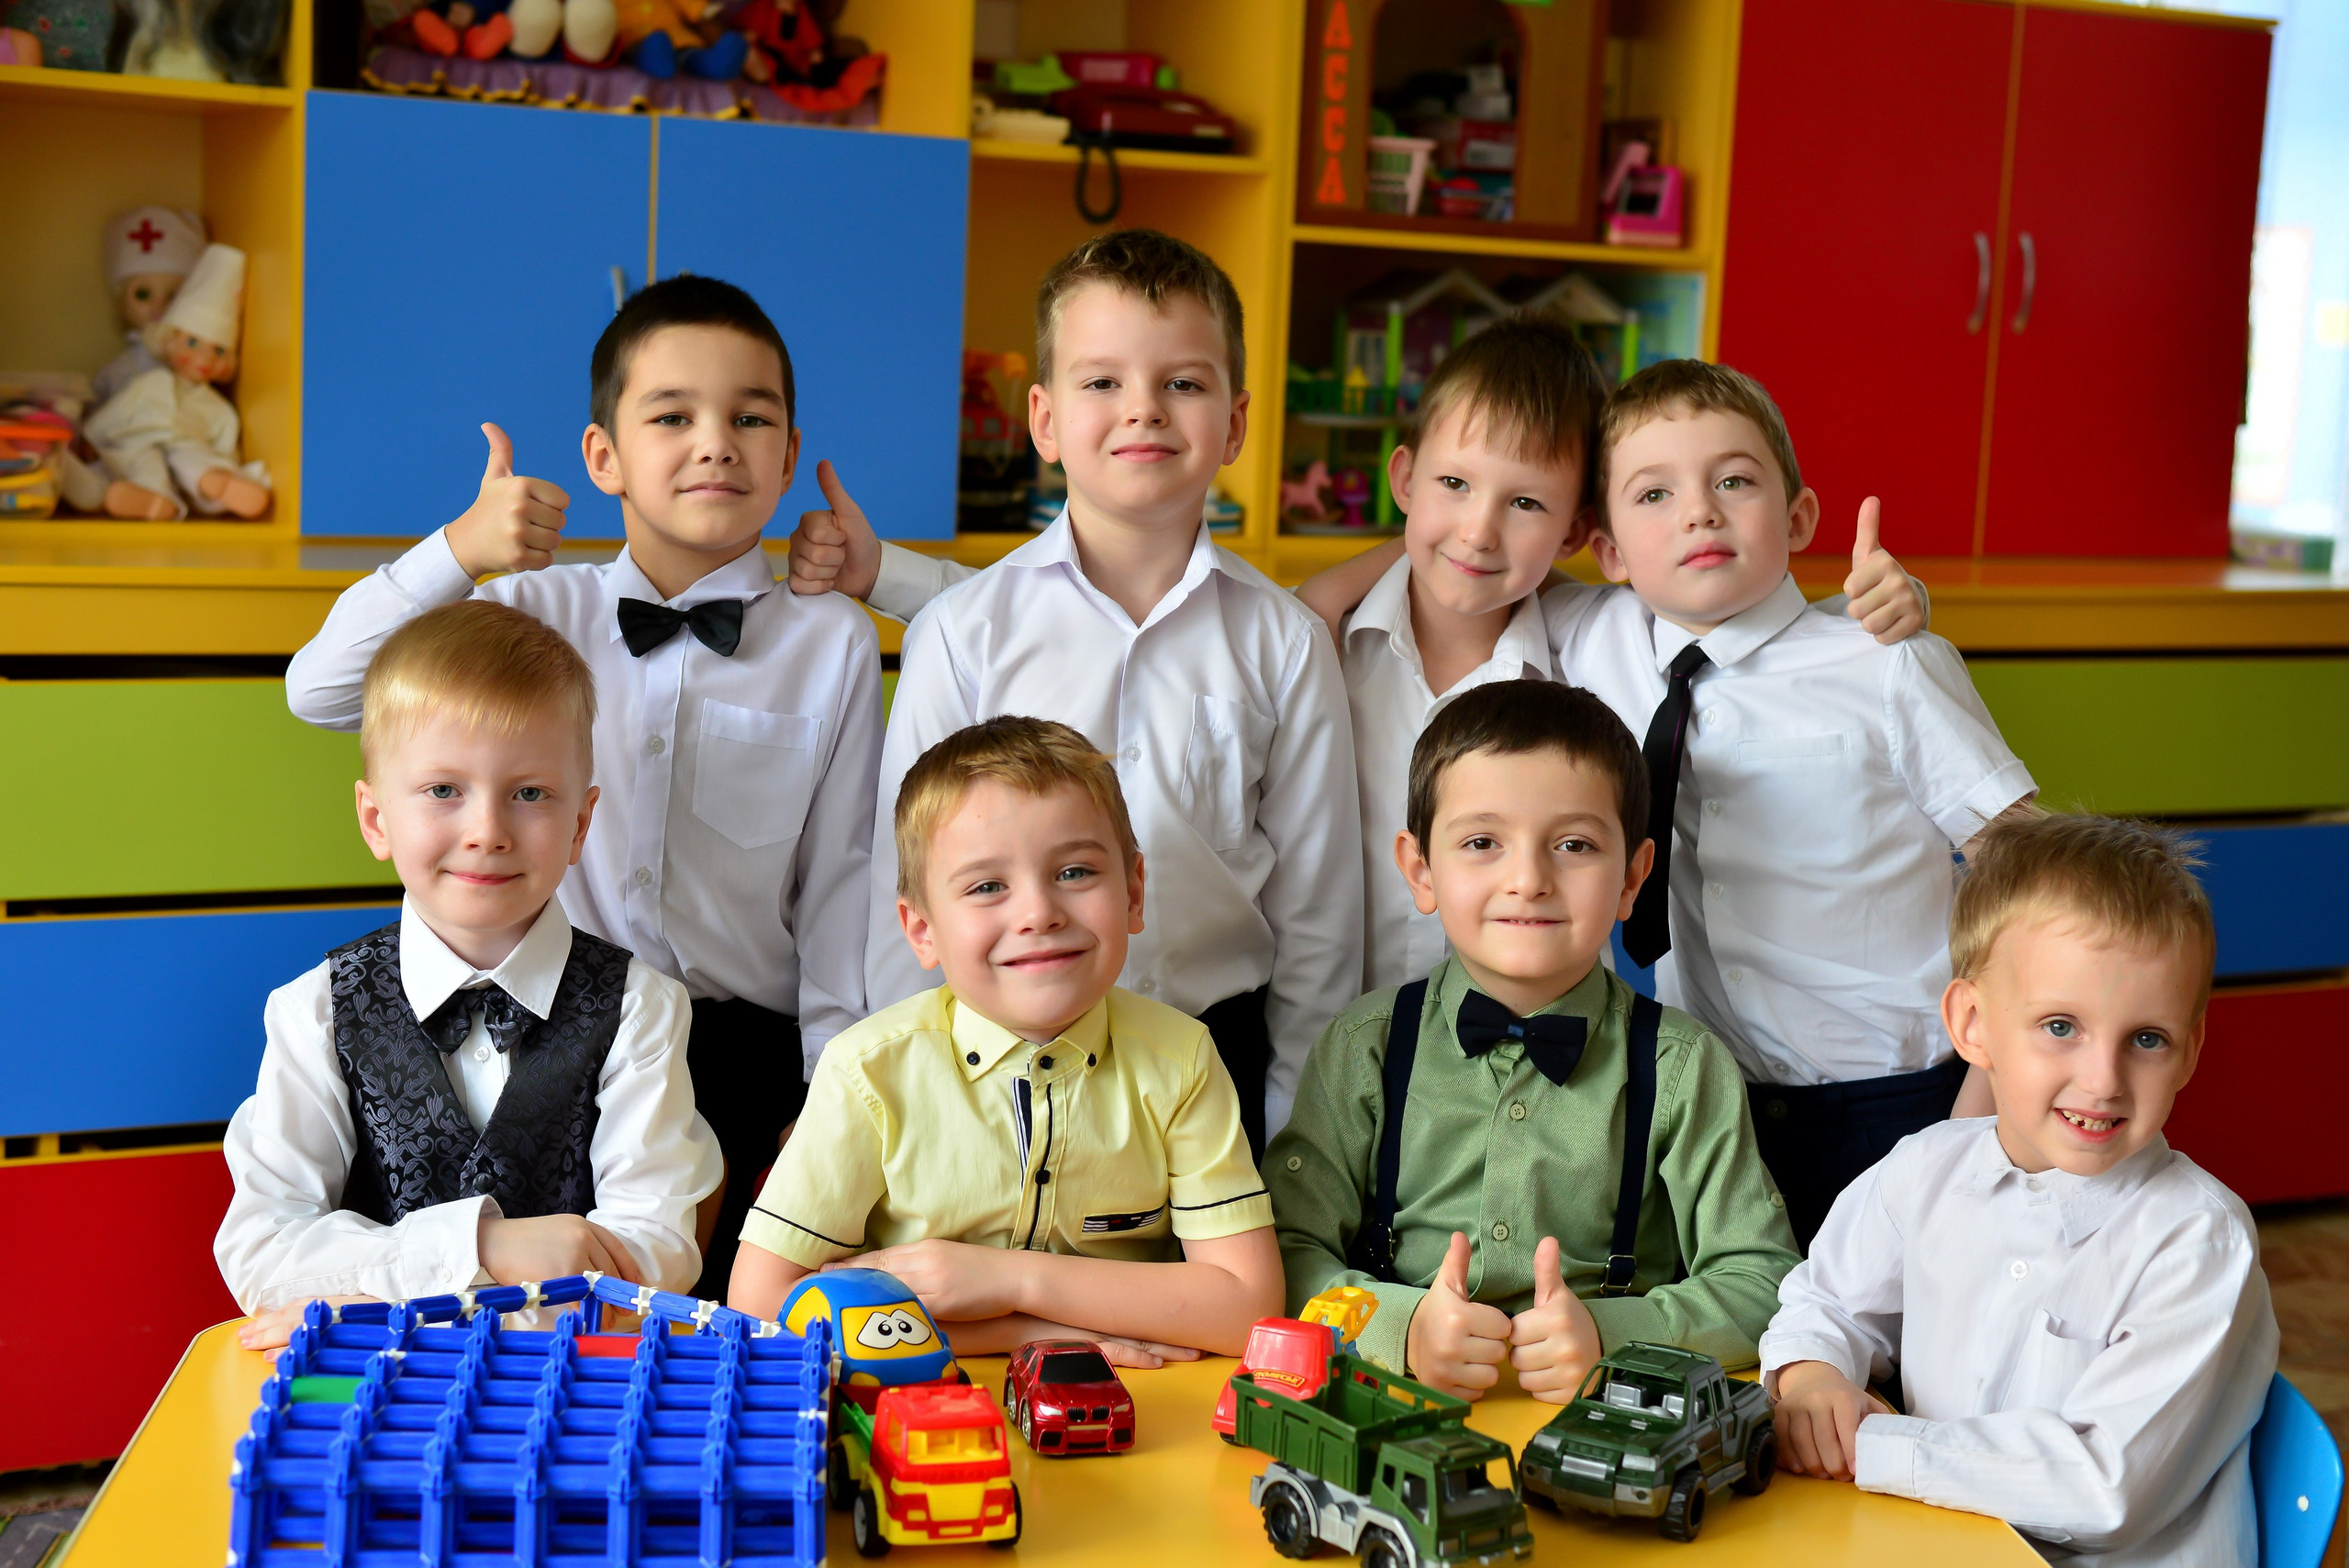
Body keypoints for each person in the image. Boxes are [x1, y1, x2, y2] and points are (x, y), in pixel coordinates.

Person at [282, 274, 881, 1294]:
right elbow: (322, 691)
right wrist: (456, 552)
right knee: (536, 1304)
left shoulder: (833, 640)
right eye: (672, 416)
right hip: (549, 1031)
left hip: (748, 1050)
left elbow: (843, 878)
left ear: (789, 455)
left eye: (750, 418)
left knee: (717, 1324)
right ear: (603, 456)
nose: (715, 443)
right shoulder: (529, 609)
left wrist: (831, 1089)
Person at [788, 228, 1361, 1154]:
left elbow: (1320, 920)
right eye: (1102, 382)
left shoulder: (1284, 643)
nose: (1144, 410)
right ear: (1045, 420)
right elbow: (908, 889)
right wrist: (912, 1114)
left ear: (1235, 422)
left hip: (1216, 1070)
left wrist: (1302, 1147)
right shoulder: (962, 633)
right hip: (995, 1069)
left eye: (1183, 382)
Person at [1542, 361, 2032, 1245]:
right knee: (1757, 1323)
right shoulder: (1593, 638)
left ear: (1799, 518)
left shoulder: (1886, 660)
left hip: (1906, 1097)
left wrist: (1989, 1081)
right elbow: (1463, 561)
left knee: (1913, 1324)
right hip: (1715, 1105)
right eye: (1654, 494)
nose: (1699, 511)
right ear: (1608, 552)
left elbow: (2030, 866)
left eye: (1734, 481)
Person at [1285, 317, 1927, 990]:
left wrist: (1896, 601)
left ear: (1576, 534)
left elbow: (1740, 622)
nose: (1478, 532)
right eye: (1454, 484)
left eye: (1526, 502)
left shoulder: (1593, 646)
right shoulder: (1315, 644)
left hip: (1540, 1036)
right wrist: (1319, 599)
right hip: (1334, 1021)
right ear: (1405, 480)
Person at [1762, 811, 2277, 1566]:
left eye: (2147, 1038)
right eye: (2061, 1026)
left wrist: (1876, 1442)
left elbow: (2101, 1484)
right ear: (1972, 1023)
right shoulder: (1924, 1170)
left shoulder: (2197, 1240)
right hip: (1939, 1543)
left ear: (2189, 1051)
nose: (2103, 1080)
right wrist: (1812, 1377)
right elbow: (1828, 1298)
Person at [1266, 681, 1798, 1403]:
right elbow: (1283, 1254)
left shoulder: (1683, 1065)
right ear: (1421, 870)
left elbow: (1763, 1278)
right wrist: (1401, 1325)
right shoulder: (1363, 1048)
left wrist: (1612, 1335)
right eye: (1482, 842)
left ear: (1632, 877)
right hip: (1391, 1408)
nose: (1528, 880)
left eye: (1574, 845)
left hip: (1607, 1418)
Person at [217, 600, 722, 1346]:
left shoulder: (641, 1008)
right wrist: (484, 1245)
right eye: (444, 790)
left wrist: (370, 1301)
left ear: (581, 825)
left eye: (529, 793)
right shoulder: (314, 1010)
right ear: (376, 819)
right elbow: (262, 1254)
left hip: (577, 1381)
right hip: (371, 1387)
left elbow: (650, 1262)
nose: (487, 831)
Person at [729, 717, 1283, 1365]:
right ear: (922, 930)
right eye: (987, 886)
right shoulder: (866, 1071)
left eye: (1075, 871)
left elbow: (1250, 1307)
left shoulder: (1183, 1060)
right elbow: (760, 1308)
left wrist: (1009, 1280)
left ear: (1134, 892)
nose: (1038, 913)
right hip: (909, 1396)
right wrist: (1029, 1333)